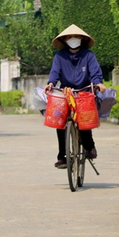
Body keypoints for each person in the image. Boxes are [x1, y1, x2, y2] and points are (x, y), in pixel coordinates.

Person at [46, 24, 106, 168]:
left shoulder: (88, 56)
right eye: (69, 37)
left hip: (84, 92)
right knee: (59, 119)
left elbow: (95, 72)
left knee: (84, 117)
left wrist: (99, 83)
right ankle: (63, 156)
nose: (73, 39)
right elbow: (55, 72)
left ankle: (89, 146)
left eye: (76, 37)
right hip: (66, 91)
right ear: (65, 40)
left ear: (82, 39)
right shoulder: (60, 56)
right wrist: (51, 83)